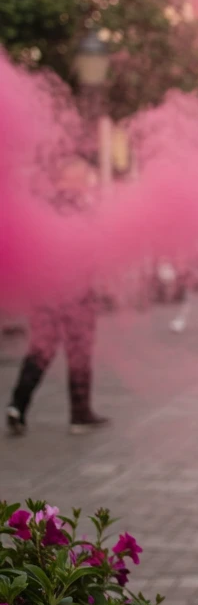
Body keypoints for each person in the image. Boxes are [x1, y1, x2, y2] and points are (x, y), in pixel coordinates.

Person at [6, 158, 109, 436]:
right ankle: (79, 412)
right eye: (82, 172)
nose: (87, 177)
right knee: (79, 351)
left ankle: (18, 405)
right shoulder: (78, 205)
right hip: (74, 291)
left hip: (44, 290)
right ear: (67, 176)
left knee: (42, 348)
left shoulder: (43, 204)